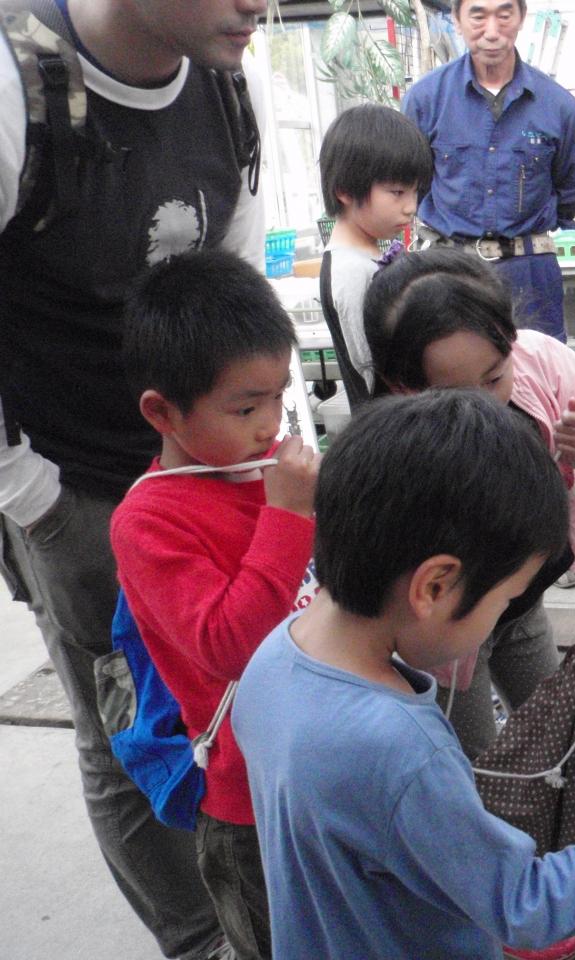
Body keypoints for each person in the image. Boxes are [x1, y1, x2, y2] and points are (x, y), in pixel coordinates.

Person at [232, 390, 575, 960]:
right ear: (434, 587)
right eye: (506, 600)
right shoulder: (399, 751)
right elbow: (526, 905)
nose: (503, 615)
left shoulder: (274, 657)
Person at [0, 2, 267, 957]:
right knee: (122, 725)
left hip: (202, 468)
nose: (260, 5)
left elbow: (236, 271)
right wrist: (32, 497)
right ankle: (199, 941)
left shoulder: (227, 79)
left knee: (222, 686)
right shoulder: (18, 81)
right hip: (71, 488)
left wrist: (250, 447)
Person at [110, 250, 320, 960]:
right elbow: (230, 646)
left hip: (324, 761)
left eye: (279, 397)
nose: (271, 425)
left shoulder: (263, 472)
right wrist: (288, 517)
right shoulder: (149, 522)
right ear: (162, 412)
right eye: (246, 407)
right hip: (249, 799)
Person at [363, 247, 575, 761]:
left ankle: (551, 798)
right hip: (452, 641)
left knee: (555, 732)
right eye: (459, 395)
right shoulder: (400, 460)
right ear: (404, 387)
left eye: (494, 378)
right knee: (478, 760)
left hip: (523, 604)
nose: (487, 405)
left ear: (510, 340)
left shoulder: (539, 361)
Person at [401, 0, 575, 342]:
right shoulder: (425, 100)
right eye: (478, 15)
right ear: (457, 19)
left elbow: (572, 188)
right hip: (448, 273)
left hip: (530, 275)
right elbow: (412, 183)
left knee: (535, 370)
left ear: (521, 17)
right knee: (449, 369)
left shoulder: (558, 105)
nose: (492, 31)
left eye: (504, 15)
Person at [317, 103, 433, 404]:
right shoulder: (353, 271)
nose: (411, 207)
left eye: (415, 192)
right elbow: (374, 373)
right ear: (344, 190)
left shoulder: (364, 258)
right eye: (397, 193)